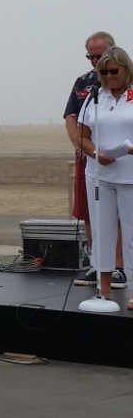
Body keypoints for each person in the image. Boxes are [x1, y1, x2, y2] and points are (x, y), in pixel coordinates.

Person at [64, 30, 125, 286]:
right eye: (90, 56)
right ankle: (98, 263)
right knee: (91, 214)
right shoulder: (84, 83)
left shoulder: (125, 80)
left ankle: (119, 266)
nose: (94, 61)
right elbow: (71, 117)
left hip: (122, 162)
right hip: (89, 159)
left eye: (99, 55)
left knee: (120, 215)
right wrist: (81, 146)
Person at [77, 46, 133, 305]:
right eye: (104, 72)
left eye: (114, 71)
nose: (109, 76)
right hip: (99, 175)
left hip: (130, 175)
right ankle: (104, 289)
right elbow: (82, 136)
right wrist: (95, 153)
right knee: (102, 233)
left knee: (131, 235)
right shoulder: (94, 97)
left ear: (126, 68)